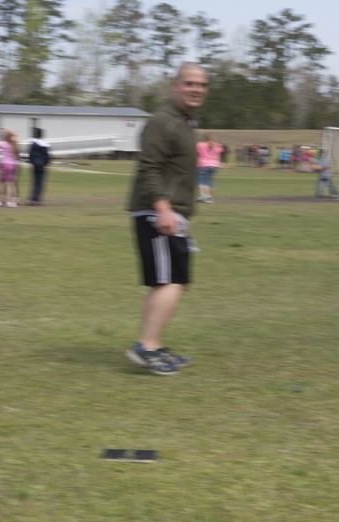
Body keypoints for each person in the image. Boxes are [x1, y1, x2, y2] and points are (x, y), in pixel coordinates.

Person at [124, 62, 208, 376]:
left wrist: (182, 214)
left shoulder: (184, 123)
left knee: (172, 282)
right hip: (156, 214)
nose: (196, 89)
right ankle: (147, 347)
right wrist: (162, 209)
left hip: (172, 214)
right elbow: (149, 169)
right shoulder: (164, 122)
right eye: (189, 83)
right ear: (175, 86)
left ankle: (153, 344)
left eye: (201, 85)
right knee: (171, 281)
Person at [0, 128, 20, 207]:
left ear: (5, 137)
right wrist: (6, 129)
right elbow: (15, 134)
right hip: (13, 165)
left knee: (0, 183)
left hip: (4, 164)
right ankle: (12, 202)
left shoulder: (3, 144)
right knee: (11, 184)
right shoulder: (14, 144)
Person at [195, 133, 223, 203]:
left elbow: (196, 153)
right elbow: (218, 155)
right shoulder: (218, 146)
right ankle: (210, 197)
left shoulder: (200, 144)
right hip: (214, 165)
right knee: (210, 181)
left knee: (201, 181)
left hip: (203, 164)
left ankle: (204, 196)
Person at [28, 127, 50, 206]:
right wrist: (45, 164)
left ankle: (31, 199)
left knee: (34, 182)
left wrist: (33, 162)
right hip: (41, 166)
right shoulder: (44, 144)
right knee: (39, 183)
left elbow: (30, 155)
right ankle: (35, 200)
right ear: (41, 135)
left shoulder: (33, 144)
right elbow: (46, 156)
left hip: (35, 165)